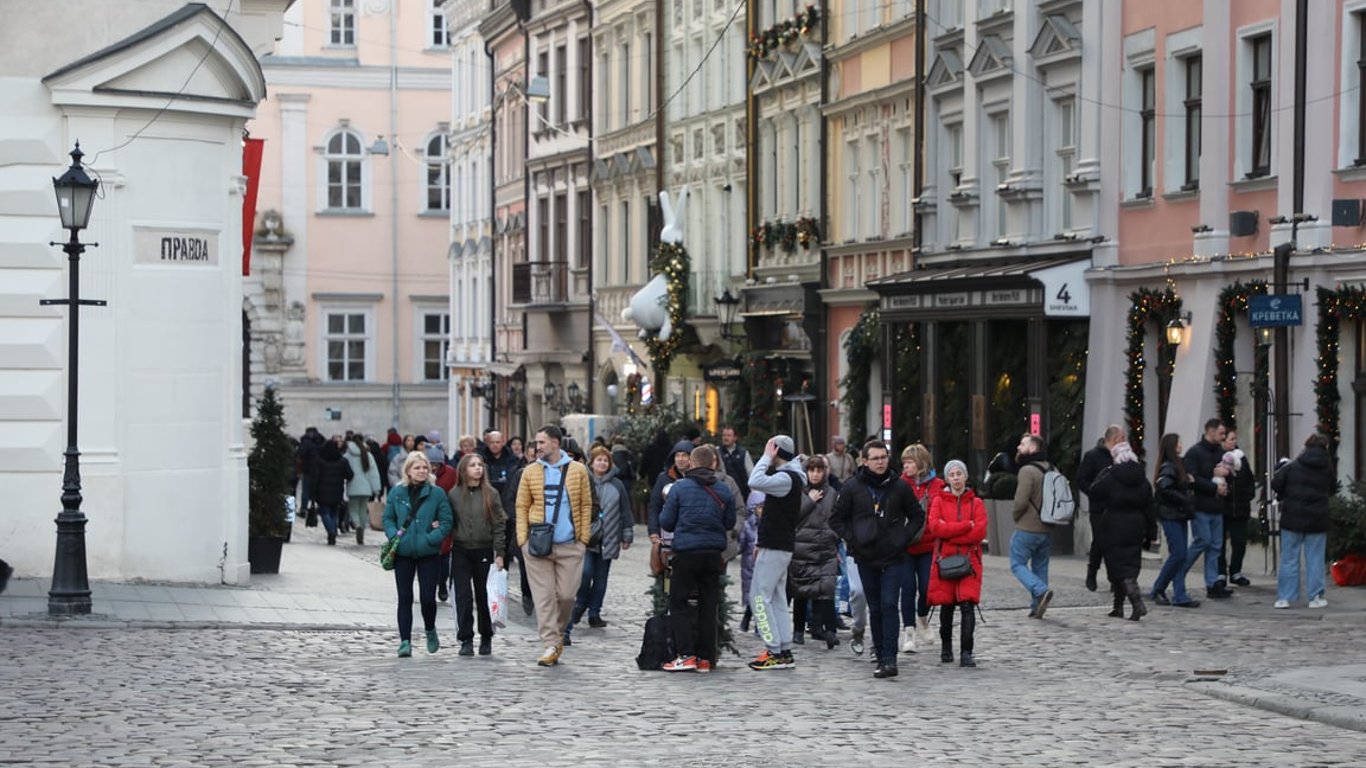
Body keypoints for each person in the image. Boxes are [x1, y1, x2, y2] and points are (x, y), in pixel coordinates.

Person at [829, 438, 923, 679]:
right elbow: (836, 519)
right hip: (866, 555)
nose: (880, 462)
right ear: (865, 461)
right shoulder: (853, 487)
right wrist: (853, 539)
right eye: (875, 458)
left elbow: (917, 516)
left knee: (890, 603)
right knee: (876, 607)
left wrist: (903, 538)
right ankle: (880, 654)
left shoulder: (899, 486)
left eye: (884, 457)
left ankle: (890, 659)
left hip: (894, 555)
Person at [515, 425, 593, 666]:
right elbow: (521, 506)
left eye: (541, 442)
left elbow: (586, 504)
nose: (537, 447)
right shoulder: (530, 472)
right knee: (544, 597)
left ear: (556, 443)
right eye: (536, 443)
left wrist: (583, 540)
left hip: (570, 544)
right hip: (538, 545)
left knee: (567, 595)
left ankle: (557, 634)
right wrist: (523, 541)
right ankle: (550, 643)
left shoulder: (578, 470)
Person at [660, 445, 737, 673]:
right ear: (713, 464)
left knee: (678, 601)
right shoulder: (724, 490)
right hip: (713, 554)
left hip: (686, 552)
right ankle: (706, 658)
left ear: (691, 464)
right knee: (709, 605)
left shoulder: (679, 488)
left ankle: (686, 655)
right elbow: (730, 523)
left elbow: (666, 522)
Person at [745, 434, 809, 670]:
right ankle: (783, 648)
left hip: (776, 545)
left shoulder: (785, 477)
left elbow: (754, 480)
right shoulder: (791, 477)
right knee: (778, 598)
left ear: (775, 450)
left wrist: (764, 457)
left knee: (759, 598)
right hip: (778, 544)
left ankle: (773, 649)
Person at [383, 451, 454, 657]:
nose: (422, 471)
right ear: (408, 471)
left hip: (428, 553)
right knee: (405, 597)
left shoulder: (437, 493)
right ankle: (405, 641)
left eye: (425, 467)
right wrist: (394, 536)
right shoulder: (397, 493)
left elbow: (446, 521)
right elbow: (388, 518)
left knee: (427, 599)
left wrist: (432, 538)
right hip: (403, 552)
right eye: (417, 468)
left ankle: (430, 629)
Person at [566, 445, 634, 640]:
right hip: (586, 538)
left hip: (609, 537)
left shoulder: (617, 485)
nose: (602, 463)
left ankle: (594, 612)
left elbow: (625, 511)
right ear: (591, 462)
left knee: (601, 578)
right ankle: (581, 604)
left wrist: (626, 534)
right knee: (585, 573)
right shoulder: (583, 480)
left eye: (605, 460)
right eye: (599, 460)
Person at [926, 459, 986, 667]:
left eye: (959, 474)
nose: (956, 478)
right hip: (946, 561)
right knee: (947, 606)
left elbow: (979, 532)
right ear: (947, 478)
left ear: (966, 476)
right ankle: (946, 647)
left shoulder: (976, 503)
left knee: (967, 605)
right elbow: (935, 528)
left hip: (970, 561)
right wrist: (964, 527)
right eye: (951, 475)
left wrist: (951, 533)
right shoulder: (939, 502)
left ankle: (967, 652)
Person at [1087, 441, 1156, 620]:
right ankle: (1119, 607)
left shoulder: (1112, 476)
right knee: (1130, 564)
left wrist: (1105, 473)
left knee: (1117, 567)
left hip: (1114, 524)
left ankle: (1136, 602)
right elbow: (1149, 506)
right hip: (1136, 525)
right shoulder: (1142, 479)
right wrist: (1151, 531)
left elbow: (1094, 491)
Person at [446, 453, 507, 656]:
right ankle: (465, 638)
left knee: (484, 595)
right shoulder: (454, 494)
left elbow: (499, 523)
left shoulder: (491, 493)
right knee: (463, 595)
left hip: (484, 548)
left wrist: (500, 552)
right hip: (461, 549)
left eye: (480, 465)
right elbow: (449, 521)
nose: (478, 468)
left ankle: (486, 636)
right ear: (464, 470)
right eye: (472, 465)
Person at [1272, 434, 1336, 609]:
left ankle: (1284, 597)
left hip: (1292, 517)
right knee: (1315, 559)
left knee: (1289, 559)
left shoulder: (1293, 466)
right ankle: (1315, 597)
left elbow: (1276, 483)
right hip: (1317, 519)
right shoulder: (1327, 468)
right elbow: (1332, 487)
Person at [788, 454, 840, 650]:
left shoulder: (832, 493)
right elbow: (793, 517)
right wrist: (809, 501)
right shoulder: (799, 492)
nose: (815, 474)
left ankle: (830, 631)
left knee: (827, 590)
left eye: (819, 470)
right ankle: (798, 630)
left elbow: (836, 519)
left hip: (825, 548)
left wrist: (833, 538)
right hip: (802, 548)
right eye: (812, 470)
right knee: (801, 591)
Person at [899, 443, 943, 653]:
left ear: (921, 463)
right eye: (904, 462)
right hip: (905, 546)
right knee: (907, 588)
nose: (906, 466)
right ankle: (909, 632)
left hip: (928, 545)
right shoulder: (900, 484)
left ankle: (922, 618)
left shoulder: (938, 486)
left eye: (910, 462)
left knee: (927, 588)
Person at [1184, 418, 1234, 599]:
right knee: (1202, 541)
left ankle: (1212, 583)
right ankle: (1179, 573)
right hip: (1201, 505)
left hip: (1217, 506)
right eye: (1221, 434)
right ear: (1210, 432)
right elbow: (1193, 479)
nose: (1223, 437)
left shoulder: (1221, 453)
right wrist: (1213, 483)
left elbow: (1229, 472)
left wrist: (1226, 479)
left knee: (1216, 546)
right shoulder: (1194, 453)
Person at [1149, 433, 1201, 608]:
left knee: (1181, 554)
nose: (1181, 445)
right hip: (1170, 514)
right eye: (1178, 443)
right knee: (1178, 553)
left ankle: (1180, 594)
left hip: (1179, 514)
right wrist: (1185, 497)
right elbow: (1164, 488)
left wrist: (1188, 485)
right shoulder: (1169, 465)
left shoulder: (1178, 464)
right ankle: (1158, 587)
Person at [1009, 434, 1056, 617]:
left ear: (1032, 448)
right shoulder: (1052, 468)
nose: (1019, 447)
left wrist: (1015, 515)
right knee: (1040, 567)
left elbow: (1021, 501)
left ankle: (1040, 591)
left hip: (1028, 527)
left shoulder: (1027, 470)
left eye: (1022, 444)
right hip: (1047, 528)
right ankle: (1037, 605)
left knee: (1017, 563)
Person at [1076, 424, 1126, 592]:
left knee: (1114, 542)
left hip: (1118, 507)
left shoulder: (1122, 456)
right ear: (1113, 439)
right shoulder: (1093, 456)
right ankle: (1094, 573)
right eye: (1121, 438)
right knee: (1102, 542)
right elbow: (1082, 480)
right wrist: (1094, 492)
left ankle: (1115, 579)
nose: (1124, 441)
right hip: (1099, 508)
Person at [1217, 429, 1256, 587]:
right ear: (1223, 441)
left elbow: (1249, 479)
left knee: (1239, 542)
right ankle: (1220, 573)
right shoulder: (1217, 457)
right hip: (1222, 507)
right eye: (1231, 439)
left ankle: (1235, 571)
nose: (1234, 442)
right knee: (1219, 542)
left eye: (1234, 439)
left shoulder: (1241, 458)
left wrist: (1247, 495)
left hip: (1240, 507)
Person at [646, 441, 695, 565]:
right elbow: (654, 505)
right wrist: (653, 531)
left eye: (684, 455)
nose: (680, 459)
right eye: (677, 456)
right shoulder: (663, 478)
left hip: (690, 534)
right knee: (663, 566)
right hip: (666, 533)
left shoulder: (697, 479)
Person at [311, 439, 353, 546]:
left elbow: (315, 477)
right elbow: (350, 475)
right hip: (337, 490)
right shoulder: (342, 461)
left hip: (322, 491)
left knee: (325, 512)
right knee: (334, 513)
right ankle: (332, 531)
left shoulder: (319, 461)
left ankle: (331, 531)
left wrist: (313, 491)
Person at [344, 435, 381, 545]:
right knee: (363, 510)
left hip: (353, 486)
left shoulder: (347, 455)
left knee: (353, 508)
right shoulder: (368, 455)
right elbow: (373, 473)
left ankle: (357, 525)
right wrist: (376, 489)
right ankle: (362, 530)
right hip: (366, 488)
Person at [738, 491, 762, 632]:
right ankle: (747, 618)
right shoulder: (747, 526)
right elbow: (741, 544)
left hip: (763, 566)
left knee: (760, 597)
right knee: (752, 596)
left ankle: (759, 626)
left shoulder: (768, 524)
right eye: (759, 507)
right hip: (749, 566)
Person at [718, 426, 755, 499]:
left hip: (741, 492)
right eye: (724, 435)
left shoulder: (743, 453)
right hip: (722, 491)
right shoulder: (718, 452)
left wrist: (753, 492)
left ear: (735, 438)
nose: (725, 438)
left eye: (729, 435)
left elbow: (750, 473)